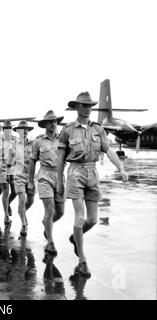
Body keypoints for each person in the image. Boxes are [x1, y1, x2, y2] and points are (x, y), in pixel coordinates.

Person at [57, 91, 128, 278]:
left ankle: (75, 238)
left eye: (90, 106)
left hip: (92, 172)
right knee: (80, 218)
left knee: (93, 220)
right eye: (85, 105)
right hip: (75, 172)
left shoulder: (98, 129)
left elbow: (109, 150)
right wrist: (58, 180)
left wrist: (120, 168)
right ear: (77, 107)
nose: (88, 109)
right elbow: (60, 158)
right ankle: (82, 260)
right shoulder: (68, 130)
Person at [30, 110, 65, 256]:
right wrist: (30, 182)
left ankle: (47, 225)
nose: (53, 124)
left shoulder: (63, 139)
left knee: (60, 212)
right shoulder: (38, 141)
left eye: (55, 121)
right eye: (50, 121)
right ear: (44, 124)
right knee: (50, 210)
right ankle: (50, 242)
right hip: (44, 175)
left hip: (59, 176)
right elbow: (32, 162)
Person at [13, 120, 35, 237]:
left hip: (31, 175)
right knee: (22, 198)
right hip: (19, 175)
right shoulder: (14, 144)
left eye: (26, 129)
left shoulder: (34, 143)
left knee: (30, 201)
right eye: (22, 129)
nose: (24, 131)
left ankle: (21, 211)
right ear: (17, 131)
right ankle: (24, 224)